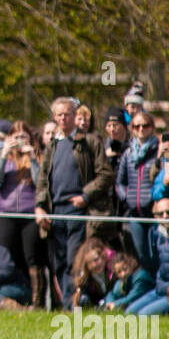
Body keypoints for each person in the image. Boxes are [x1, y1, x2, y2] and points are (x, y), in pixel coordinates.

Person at [35, 97, 115, 307]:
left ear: (74, 116)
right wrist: (39, 207)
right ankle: (65, 305)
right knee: (58, 262)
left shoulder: (89, 142)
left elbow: (106, 175)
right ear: (54, 117)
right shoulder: (52, 145)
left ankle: (73, 306)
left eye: (67, 114)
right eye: (59, 115)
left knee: (74, 260)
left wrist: (85, 196)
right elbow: (43, 179)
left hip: (79, 211)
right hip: (54, 212)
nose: (63, 118)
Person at [0, 125, 47, 308]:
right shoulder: (4, 157)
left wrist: (33, 160)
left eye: (24, 137)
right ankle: (12, 299)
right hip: (6, 213)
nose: (20, 141)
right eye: (16, 137)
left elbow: (40, 183)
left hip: (29, 214)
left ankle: (37, 302)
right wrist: (4, 153)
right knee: (8, 256)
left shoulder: (38, 156)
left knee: (32, 257)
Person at [115, 111, 161, 275]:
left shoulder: (158, 152)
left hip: (155, 212)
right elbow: (119, 182)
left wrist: (155, 197)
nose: (141, 129)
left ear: (152, 128)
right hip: (134, 212)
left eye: (145, 125)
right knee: (140, 255)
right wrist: (126, 196)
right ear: (132, 129)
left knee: (156, 253)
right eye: (137, 126)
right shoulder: (128, 154)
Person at [70, 237, 119, 308]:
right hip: (95, 302)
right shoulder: (85, 277)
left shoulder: (114, 269)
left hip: (113, 299)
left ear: (103, 256)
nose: (94, 265)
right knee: (83, 299)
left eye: (96, 259)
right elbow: (77, 302)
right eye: (90, 262)